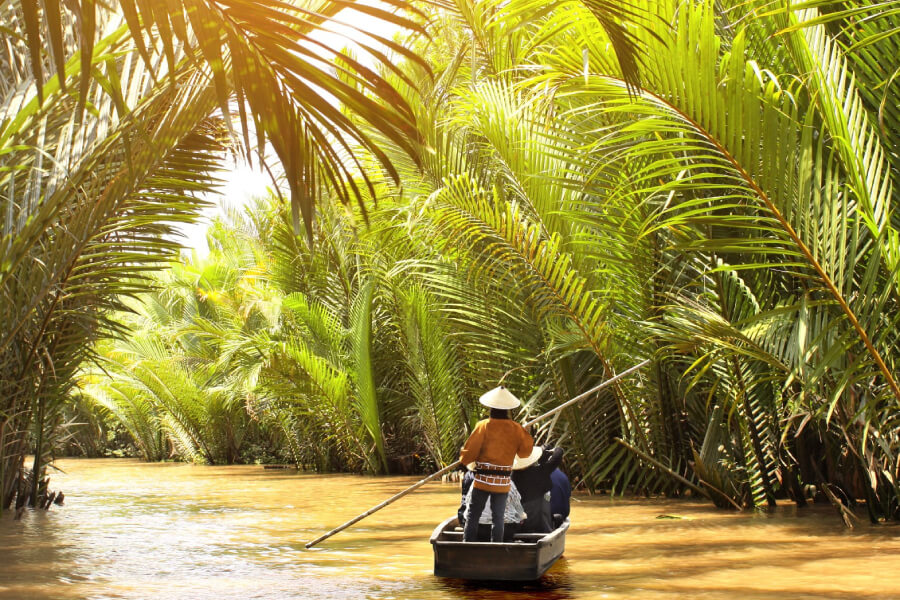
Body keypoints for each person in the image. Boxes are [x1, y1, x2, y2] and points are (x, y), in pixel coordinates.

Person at [459, 386, 533, 543]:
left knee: (473, 514)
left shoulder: (483, 426)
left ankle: (467, 544)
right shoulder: (516, 429)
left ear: (491, 407)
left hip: (483, 481)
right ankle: (496, 547)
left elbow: (470, 452)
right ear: (507, 410)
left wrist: (463, 460)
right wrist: (525, 433)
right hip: (502, 483)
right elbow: (524, 453)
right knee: (498, 517)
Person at [458, 470, 526, 541]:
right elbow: (519, 509)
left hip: (478, 529)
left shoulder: (475, 482)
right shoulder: (509, 483)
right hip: (504, 530)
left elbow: (467, 503)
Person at [511, 446, 564, 533]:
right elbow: (556, 458)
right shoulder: (539, 472)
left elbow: (543, 461)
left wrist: (544, 453)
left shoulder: (513, 475)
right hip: (539, 524)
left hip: (520, 524)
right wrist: (558, 450)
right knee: (557, 517)